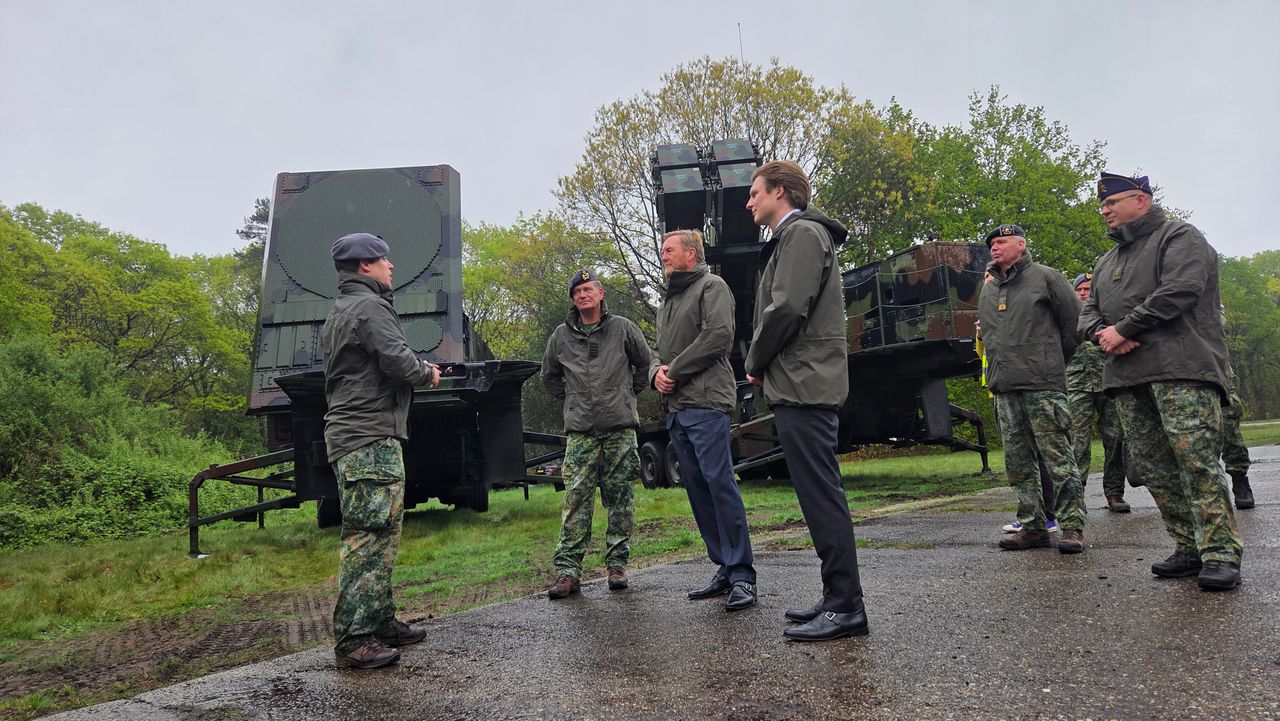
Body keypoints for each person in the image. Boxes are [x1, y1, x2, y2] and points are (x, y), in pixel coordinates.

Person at [1079, 172, 1243, 591]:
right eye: (1102, 205)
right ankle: (1188, 546)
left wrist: (1127, 327)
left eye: (1112, 202)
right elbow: (1088, 312)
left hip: (1181, 368)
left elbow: (1181, 290)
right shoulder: (1105, 261)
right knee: (1155, 468)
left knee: (1196, 461)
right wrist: (1104, 334)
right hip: (1127, 377)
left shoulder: (1179, 236)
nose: (1105, 210)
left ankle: (1220, 551)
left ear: (1141, 199)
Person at [743, 160, 868, 641]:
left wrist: (755, 359)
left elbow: (787, 308)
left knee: (821, 497)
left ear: (781, 191)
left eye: (755, 192)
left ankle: (846, 607)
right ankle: (837, 595)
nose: (750, 201)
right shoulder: (797, 237)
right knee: (818, 495)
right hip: (801, 381)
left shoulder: (800, 235)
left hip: (804, 383)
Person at [321, 232, 441, 670]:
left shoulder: (343, 308)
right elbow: (397, 361)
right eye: (385, 260)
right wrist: (427, 372)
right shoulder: (370, 307)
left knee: (382, 534)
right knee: (368, 537)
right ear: (365, 265)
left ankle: (379, 622)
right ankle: (354, 640)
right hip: (367, 436)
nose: (392, 267)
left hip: (360, 433)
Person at [651, 229, 758, 611]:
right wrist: (655, 374)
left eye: (669, 249)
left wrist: (674, 371)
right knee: (697, 490)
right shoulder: (668, 301)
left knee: (719, 484)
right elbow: (658, 352)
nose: (662, 254)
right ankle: (726, 568)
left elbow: (718, 336)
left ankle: (743, 575)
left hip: (707, 403)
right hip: (678, 410)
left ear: (691, 254)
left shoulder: (712, 286)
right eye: (662, 250)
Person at [542, 269, 655, 599]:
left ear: (601, 293)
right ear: (573, 300)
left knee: (621, 499)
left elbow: (644, 364)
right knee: (575, 501)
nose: (582, 295)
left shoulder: (623, 328)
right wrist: (575, 401)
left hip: (619, 429)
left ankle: (617, 565)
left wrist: (626, 395)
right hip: (581, 434)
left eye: (588, 289)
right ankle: (567, 572)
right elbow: (549, 378)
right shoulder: (560, 337)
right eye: (576, 292)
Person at [978, 224, 1084, 553]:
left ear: (1021, 245)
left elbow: (1075, 325)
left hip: (1043, 386)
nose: (995, 248)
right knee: (1018, 462)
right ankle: (1033, 525)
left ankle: (1072, 526)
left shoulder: (1046, 277)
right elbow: (988, 339)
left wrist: (1051, 361)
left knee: (1058, 458)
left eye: (1002, 241)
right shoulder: (988, 289)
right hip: (1005, 388)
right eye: (992, 244)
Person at [1067, 273, 1132, 513]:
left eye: (1088, 289)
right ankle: (1076, 496)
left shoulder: (1107, 314)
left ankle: (1115, 492)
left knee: (1115, 439)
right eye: (1080, 289)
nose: (1084, 293)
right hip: (1076, 385)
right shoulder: (1066, 316)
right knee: (1076, 443)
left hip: (1109, 382)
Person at [1219, 304, 1255, 509]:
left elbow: (1219, 322)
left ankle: (1240, 479)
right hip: (1177, 370)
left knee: (1229, 427)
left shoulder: (1202, 283)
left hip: (1215, 368)